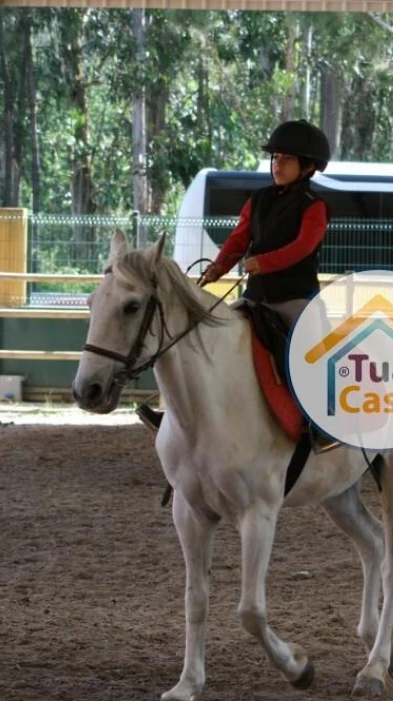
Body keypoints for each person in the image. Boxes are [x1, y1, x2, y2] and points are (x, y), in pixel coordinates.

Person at [138, 119, 339, 452]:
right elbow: (238, 238)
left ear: (308, 167)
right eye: (275, 158)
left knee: (310, 354)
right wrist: (219, 267)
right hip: (255, 297)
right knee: (204, 339)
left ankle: (324, 421)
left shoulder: (315, 206)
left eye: (287, 159)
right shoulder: (258, 200)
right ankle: (176, 413)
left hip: (295, 299)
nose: (277, 165)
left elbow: (303, 247)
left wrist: (264, 262)